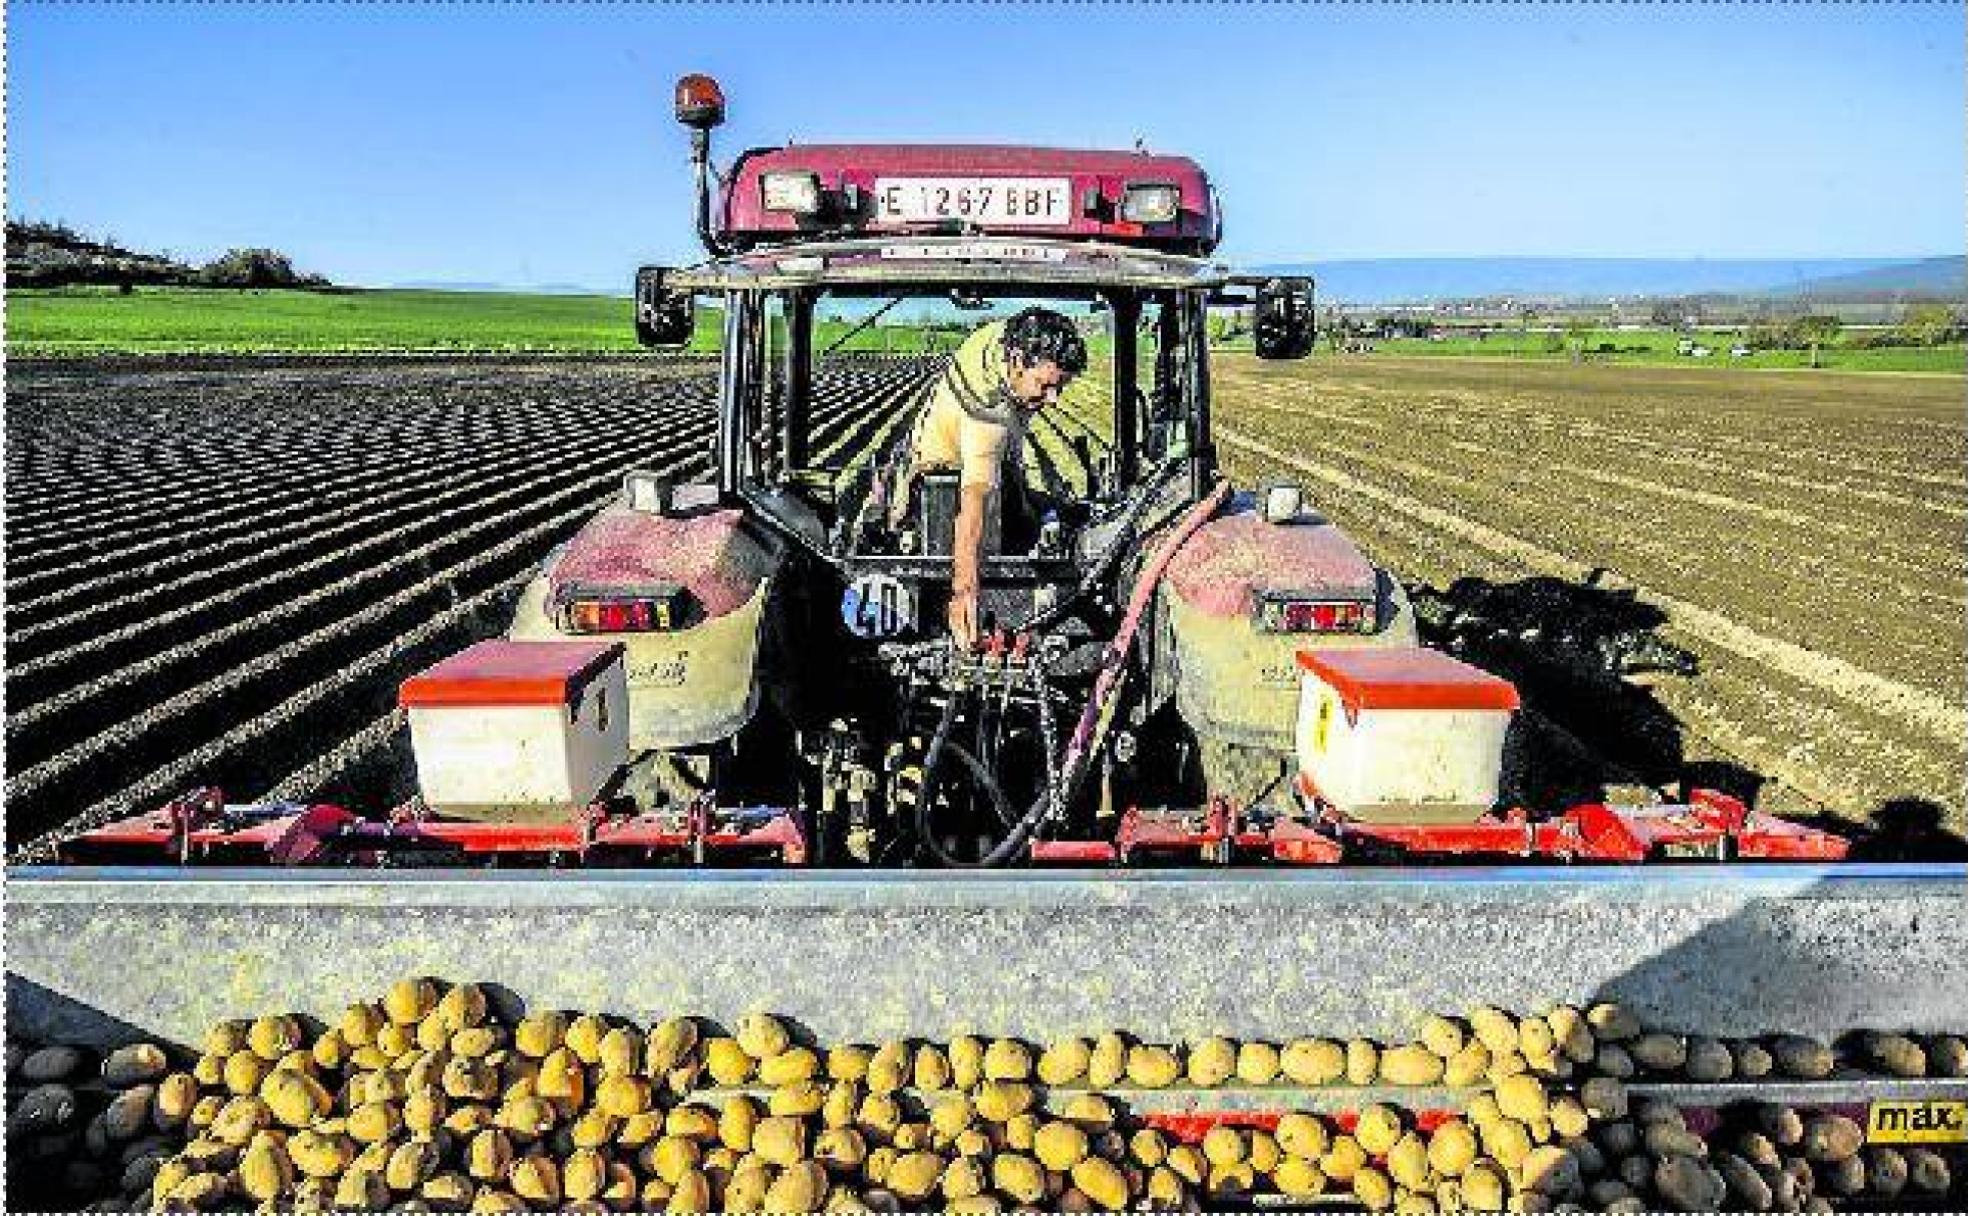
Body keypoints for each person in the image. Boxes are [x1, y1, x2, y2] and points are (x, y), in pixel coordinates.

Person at [887, 306, 1087, 650]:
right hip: (937, 471)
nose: (1053, 400)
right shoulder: (986, 405)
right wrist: (965, 592)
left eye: (1062, 387)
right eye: (1046, 385)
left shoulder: (1012, 343)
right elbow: (974, 496)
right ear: (1015, 362)